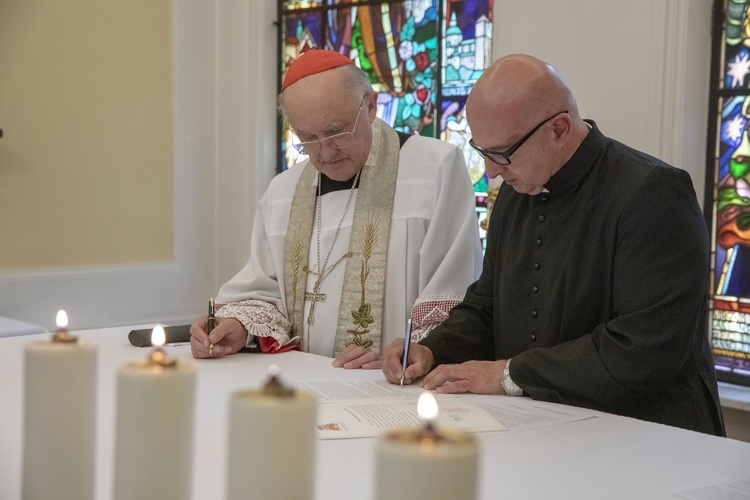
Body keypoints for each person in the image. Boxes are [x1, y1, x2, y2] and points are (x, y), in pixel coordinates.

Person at [382, 54, 726, 436]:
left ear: (560, 129)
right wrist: (433, 350)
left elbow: (643, 345)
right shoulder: (517, 193)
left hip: (652, 434)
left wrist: (510, 373)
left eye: (501, 154)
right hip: (543, 427)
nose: (492, 171)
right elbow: (487, 306)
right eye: (481, 152)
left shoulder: (653, 193)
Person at [190, 49, 482, 369]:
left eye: (335, 132)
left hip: (395, 388)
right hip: (304, 383)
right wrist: (239, 326)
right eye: (307, 139)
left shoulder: (435, 169)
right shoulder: (282, 192)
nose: (324, 153)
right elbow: (264, 290)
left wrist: (411, 352)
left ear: (370, 106)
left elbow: (457, 294)